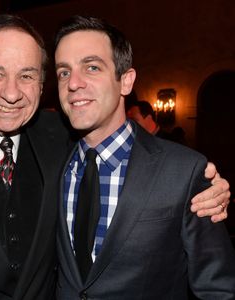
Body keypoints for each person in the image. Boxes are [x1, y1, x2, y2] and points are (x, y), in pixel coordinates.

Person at [0, 14, 230, 300]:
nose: (11, 93)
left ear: (41, 85)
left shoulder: (57, 136)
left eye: (27, 75)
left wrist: (207, 184)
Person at [54, 15, 235, 299]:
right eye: (64, 72)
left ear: (126, 81)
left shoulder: (185, 171)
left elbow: (218, 288)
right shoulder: (52, 160)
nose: (73, 83)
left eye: (92, 67)